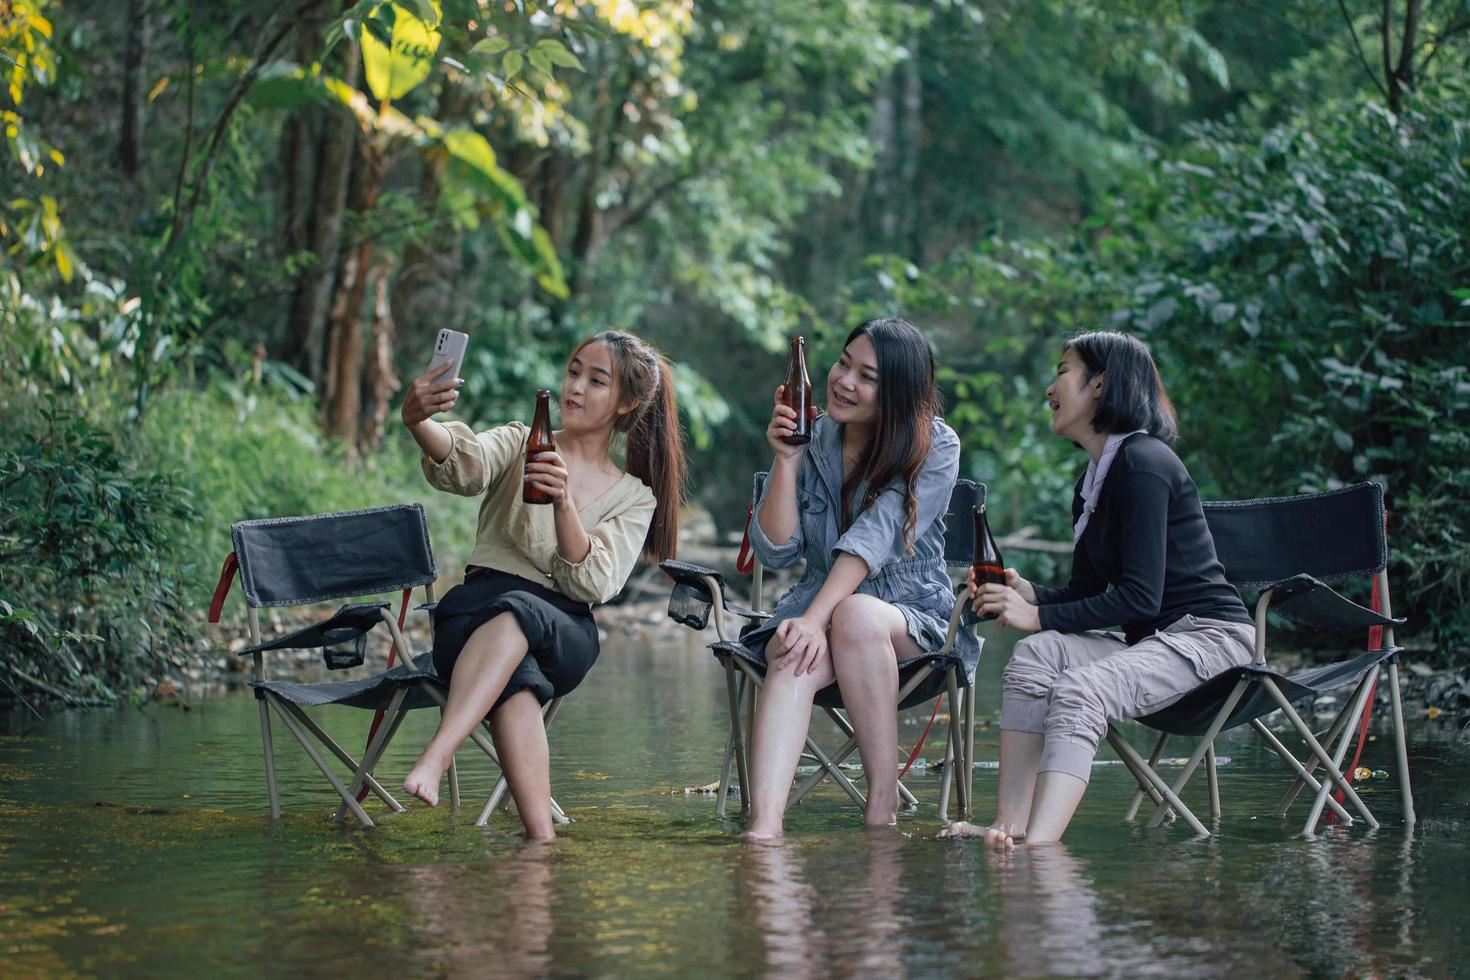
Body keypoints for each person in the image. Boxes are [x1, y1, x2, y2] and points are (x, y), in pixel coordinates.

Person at [941, 330, 1253, 847]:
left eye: (1063, 371)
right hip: (1153, 644)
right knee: (1036, 655)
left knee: (1080, 688)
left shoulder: (1143, 463)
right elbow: (1087, 593)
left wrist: (1036, 614)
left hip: (1211, 641)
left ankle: (1039, 847)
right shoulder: (1093, 482)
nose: (1050, 389)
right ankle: (1008, 827)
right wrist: (1029, 593)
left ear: (1101, 385)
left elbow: (1140, 599)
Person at [399, 330, 685, 840]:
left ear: (627, 403)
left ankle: (438, 754)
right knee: (516, 678)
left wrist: (563, 503)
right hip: (473, 616)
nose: (576, 387)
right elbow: (465, 463)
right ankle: (541, 846)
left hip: (564, 628)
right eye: (574, 371)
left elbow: (595, 581)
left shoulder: (635, 496)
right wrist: (419, 419)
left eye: (597, 381)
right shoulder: (522, 440)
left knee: (520, 612)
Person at [742, 317, 978, 840]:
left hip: (910, 616)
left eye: (867, 376)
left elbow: (876, 536)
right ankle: (764, 831)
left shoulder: (935, 445)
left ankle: (881, 801)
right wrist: (786, 461)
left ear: (898, 391)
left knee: (851, 616)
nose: (845, 381)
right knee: (791, 653)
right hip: (821, 608)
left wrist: (812, 618)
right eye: (843, 363)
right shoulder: (817, 435)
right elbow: (776, 551)